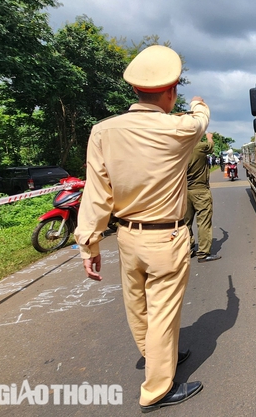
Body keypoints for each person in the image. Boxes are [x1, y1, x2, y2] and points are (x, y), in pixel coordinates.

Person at [74, 45, 208, 413]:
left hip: (127, 236)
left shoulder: (102, 131)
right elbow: (201, 120)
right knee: (163, 311)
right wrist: (198, 103)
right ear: (171, 91)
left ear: (135, 89)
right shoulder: (178, 128)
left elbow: (97, 192)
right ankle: (157, 390)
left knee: (138, 306)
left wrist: (89, 244)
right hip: (166, 236)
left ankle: (157, 356)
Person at [185, 132, 221, 263]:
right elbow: (210, 146)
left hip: (183, 191)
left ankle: (188, 249)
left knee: (185, 223)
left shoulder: (178, 148)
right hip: (200, 190)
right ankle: (203, 253)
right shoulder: (199, 146)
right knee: (204, 222)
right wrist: (209, 137)